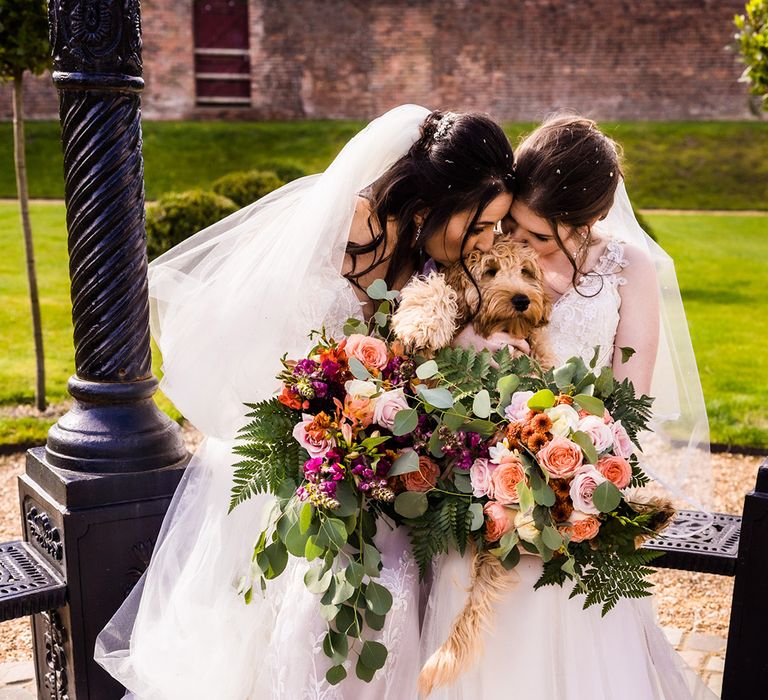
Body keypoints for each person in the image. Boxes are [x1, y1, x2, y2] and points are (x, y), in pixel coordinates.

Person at [94, 104, 516, 699]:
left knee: (386, 611)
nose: (486, 241)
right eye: (479, 225)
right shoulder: (336, 223)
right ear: (432, 205)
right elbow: (257, 346)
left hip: (380, 467)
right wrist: (328, 419)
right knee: (300, 619)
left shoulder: (435, 257)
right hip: (296, 462)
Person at [419, 115, 716, 699]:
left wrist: (568, 463)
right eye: (517, 227)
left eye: (542, 238)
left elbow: (630, 404)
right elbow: (434, 347)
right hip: (477, 484)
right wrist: (468, 348)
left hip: (566, 486)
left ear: (590, 222)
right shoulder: (487, 253)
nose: (520, 245)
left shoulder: (629, 272)